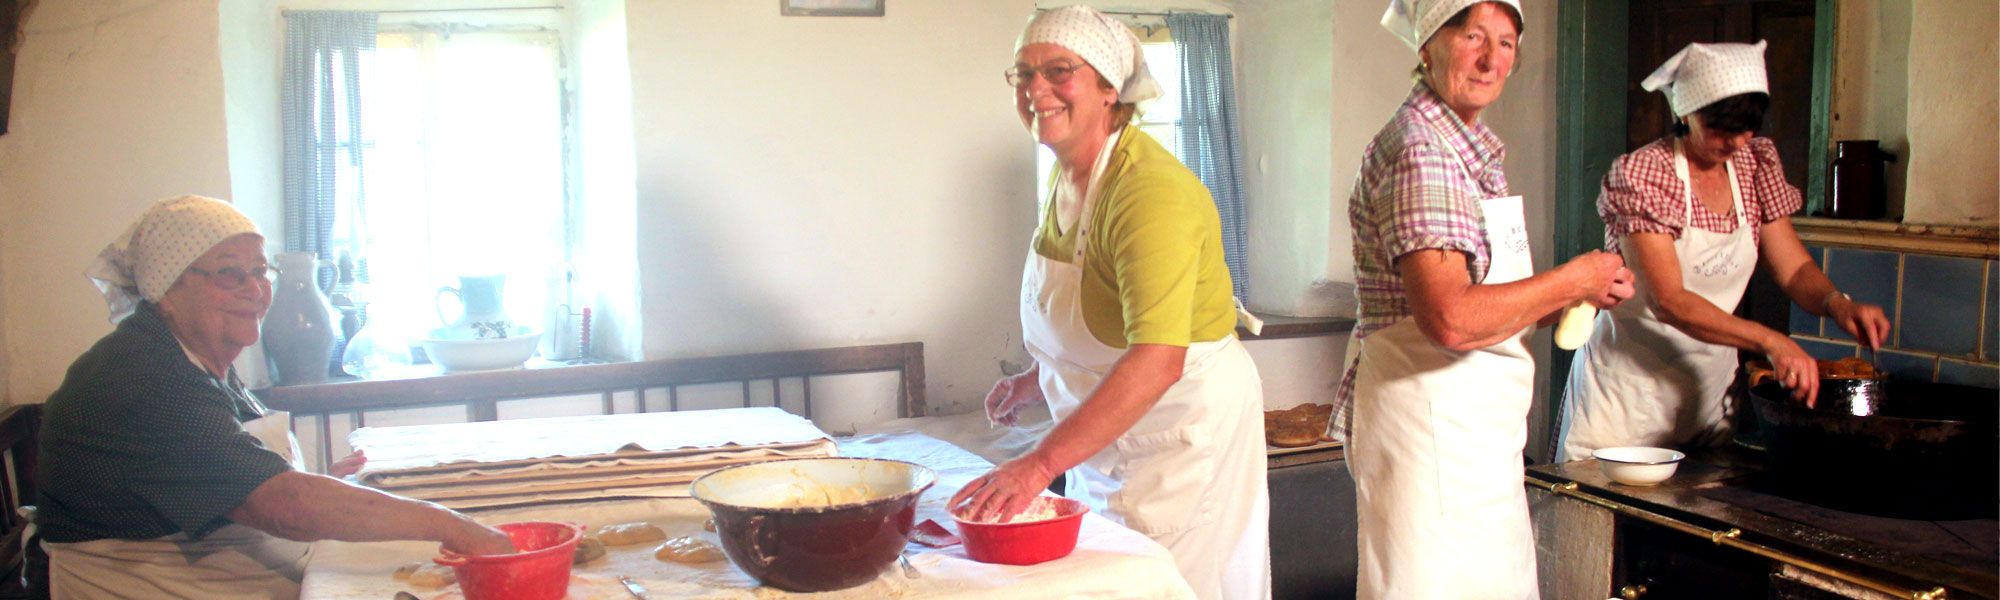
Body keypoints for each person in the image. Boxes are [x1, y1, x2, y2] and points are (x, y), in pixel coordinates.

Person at [37, 195, 516, 599]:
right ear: (168, 286)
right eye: (231, 274)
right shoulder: (143, 376)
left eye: (260, 272)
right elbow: (281, 505)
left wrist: (319, 485)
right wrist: (454, 526)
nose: (256, 290)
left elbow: (231, 474)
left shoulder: (184, 353)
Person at [949, 6, 1269, 598]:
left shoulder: (1149, 193)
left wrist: (1038, 466)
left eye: (1058, 71)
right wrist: (1040, 375)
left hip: (1182, 437)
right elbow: (1095, 312)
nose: (1035, 89)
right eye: (1023, 73)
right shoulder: (1067, 175)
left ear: (1107, 89)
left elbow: (1156, 358)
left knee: (1174, 585)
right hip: (1105, 438)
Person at [1331, 1, 1636, 597]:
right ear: (1427, 46)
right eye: (1473, 37)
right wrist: (1573, 279)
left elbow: (1484, 299)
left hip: (1472, 439)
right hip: (1432, 430)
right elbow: (1449, 317)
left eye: (1506, 42)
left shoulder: (1469, 151)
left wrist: (1574, 298)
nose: (1492, 58)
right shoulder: (1423, 151)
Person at [1557, 42, 1891, 461]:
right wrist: (1771, 341)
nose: (1737, 141)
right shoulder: (1645, 174)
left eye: (1747, 126)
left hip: (1705, 396)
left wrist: (1837, 304)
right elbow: (1669, 301)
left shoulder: (1755, 165)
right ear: (1686, 112)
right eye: (1721, 127)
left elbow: (1793, 268)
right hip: (1627, 400)